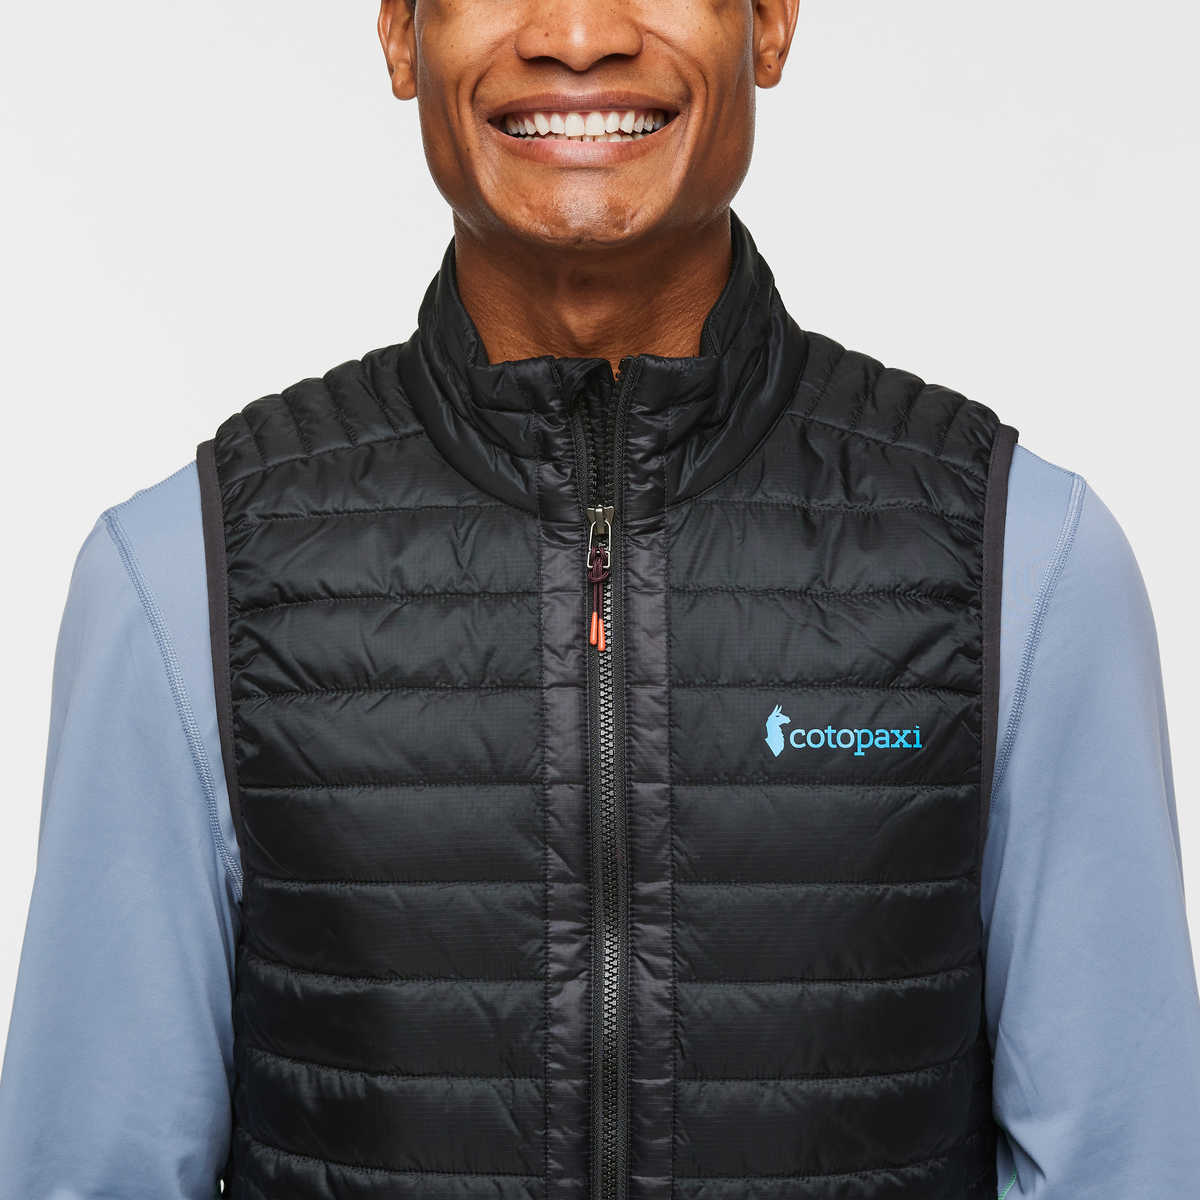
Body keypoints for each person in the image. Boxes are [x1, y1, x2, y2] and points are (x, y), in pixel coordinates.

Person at [2, 0, 1198, 1195]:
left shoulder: (1023, 561)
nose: (577, 35)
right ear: (402, 34)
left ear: (771, 25)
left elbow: (1125, 1168)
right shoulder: (185, 576)